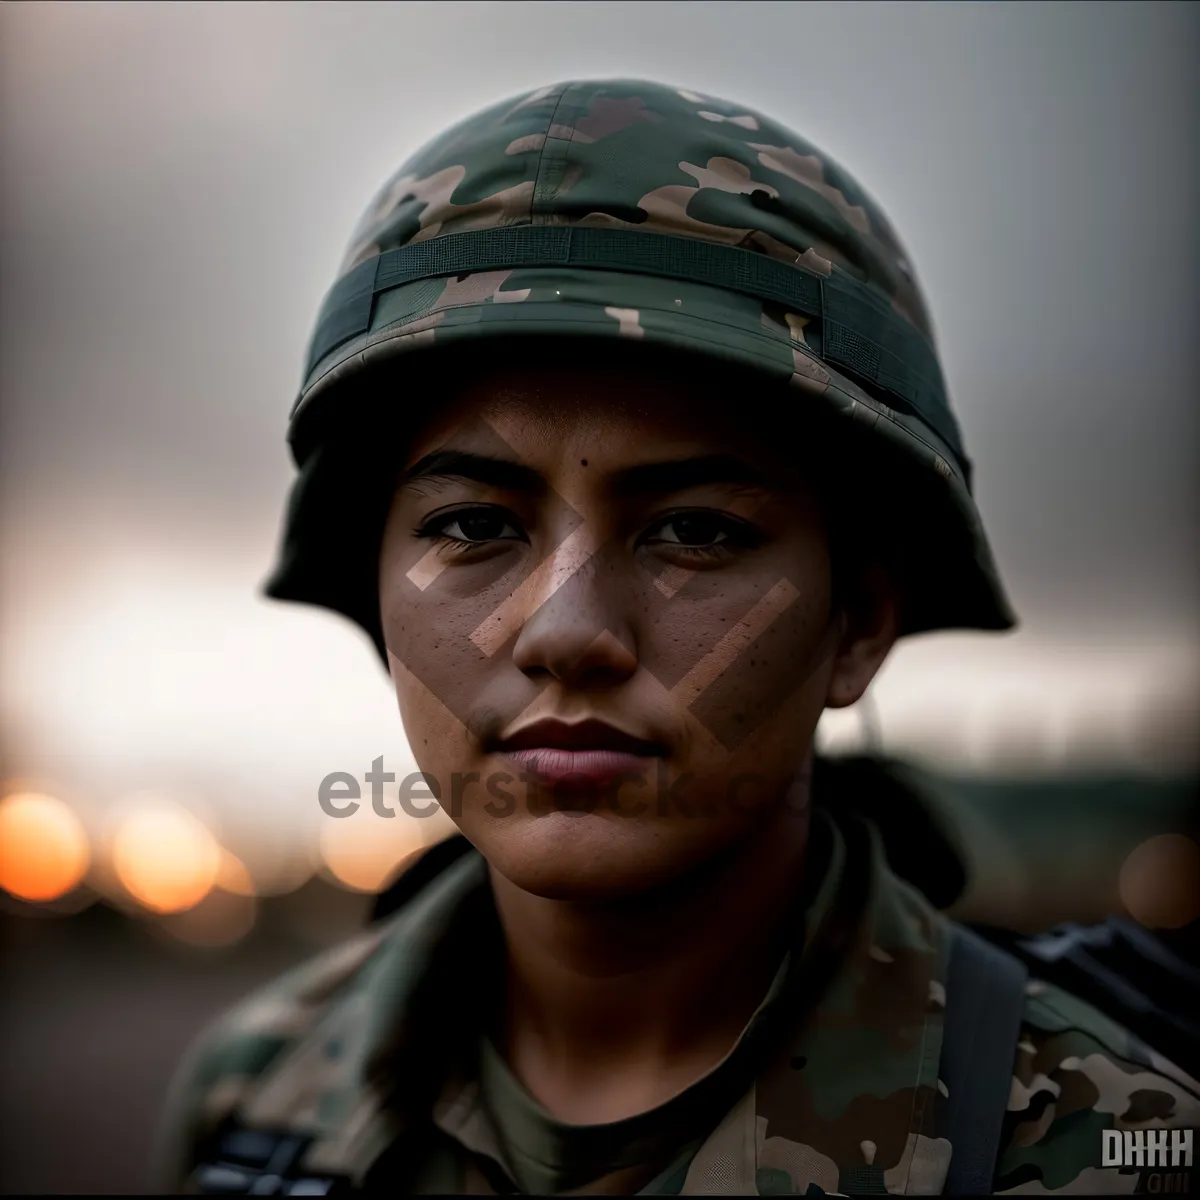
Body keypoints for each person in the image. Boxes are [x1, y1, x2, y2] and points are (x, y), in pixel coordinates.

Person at [154, 79, 1199, 1195]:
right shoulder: (254, 1104)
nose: (567, 633)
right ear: (378, 601)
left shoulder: (1105, 1146)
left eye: (695, 531)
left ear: (859, 624)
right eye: (471, 526)